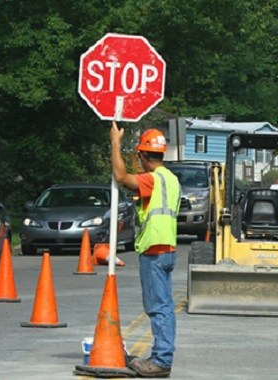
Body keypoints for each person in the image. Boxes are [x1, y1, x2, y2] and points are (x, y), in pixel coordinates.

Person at [110, 121, 180, 378]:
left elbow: (121, 176)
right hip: (167, 249)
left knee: (158, 307)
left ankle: (161, 360)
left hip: (155, 249)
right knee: (163, 306)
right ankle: (162, 356)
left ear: (142, 156)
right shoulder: (171, 179)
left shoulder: (153, 179)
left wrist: (115, 142)